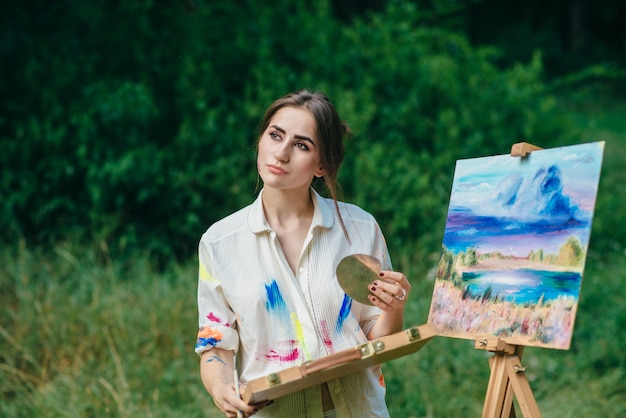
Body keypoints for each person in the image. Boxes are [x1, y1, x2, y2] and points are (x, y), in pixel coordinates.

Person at [195, 89, 411, 418]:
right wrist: (222, 390)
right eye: (275, 135)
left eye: (301, 145)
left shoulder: (360, 228)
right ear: (261, 140)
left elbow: (375, 341)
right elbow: (215, 346)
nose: (281, 153)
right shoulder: (220, 242)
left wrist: (394, 310)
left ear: (322, 164)